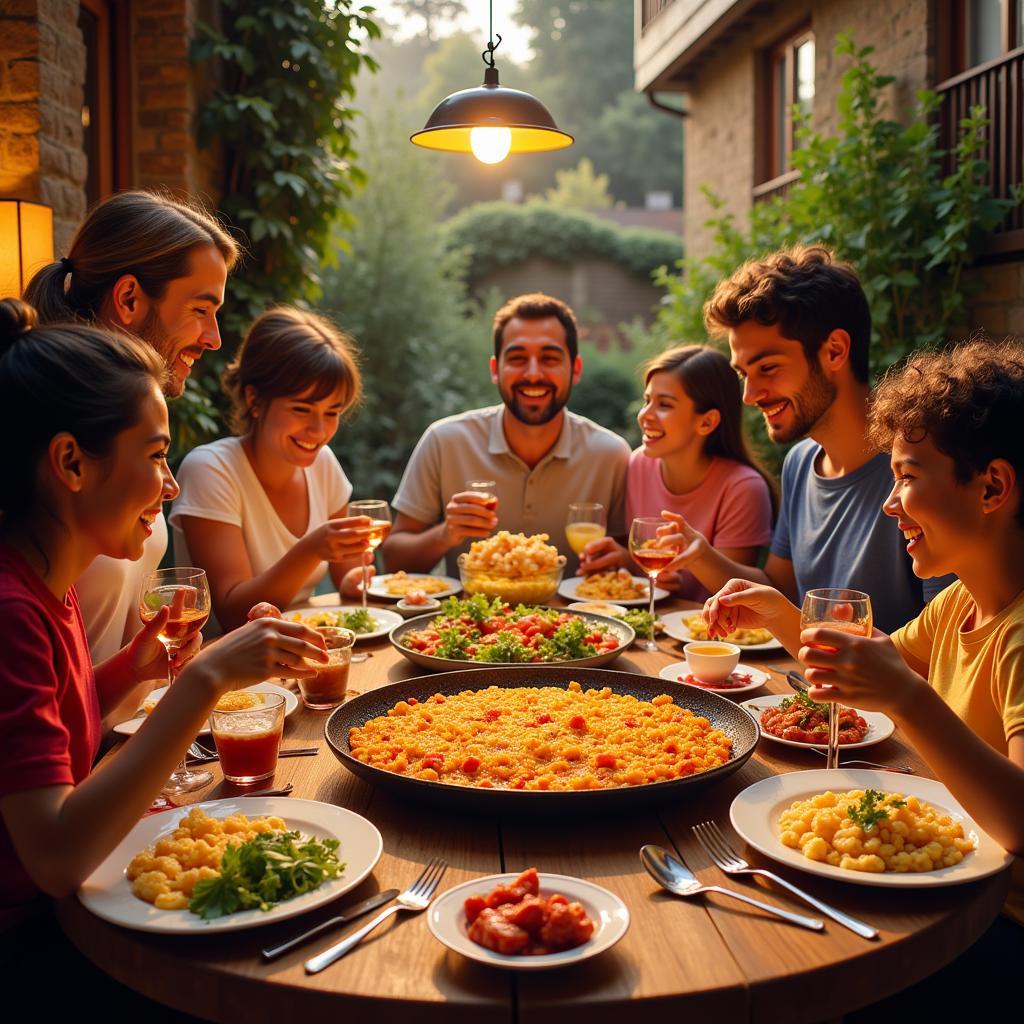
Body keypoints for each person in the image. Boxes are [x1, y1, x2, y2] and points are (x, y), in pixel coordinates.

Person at [702, 336, 1024, 1000]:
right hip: (941, 893)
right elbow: (873, 667)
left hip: (988, 933)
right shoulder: (966, 599)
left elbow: (1020, 819)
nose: (890, 501)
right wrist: (780, 614)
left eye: (908, 476)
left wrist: (909, 697)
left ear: (991, 486)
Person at [0, 299, 326, 933]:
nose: (171, 485)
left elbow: (41, 740)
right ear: (71, 462)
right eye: (154, 456)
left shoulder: (45, 581)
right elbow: (56, 857)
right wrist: (204, 681)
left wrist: (126, 673)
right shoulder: (11, 610)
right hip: (35, 938)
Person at [654, 245, 947, 632]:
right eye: (744, 374)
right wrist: (701, 556)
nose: (749, 395)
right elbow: (781, 592)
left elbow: (948, 648)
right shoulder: (800, 462)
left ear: (835, 351)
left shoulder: (917, 471)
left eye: (768, 368)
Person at [23, 189, 238, 661]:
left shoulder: (132, 413)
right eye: (201, 309)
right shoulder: (54, 429)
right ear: (127, 298)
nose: (215, 339)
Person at [383, 293, 630, 576]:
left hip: (583, 619)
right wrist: (445, 534)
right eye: (517, 358)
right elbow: (393, 560)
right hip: (468, 619)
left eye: (549, 358)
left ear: (575, 370)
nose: (533, 374)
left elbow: (627, 562)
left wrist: (621, 561)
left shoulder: (611, 454)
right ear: (495, 369)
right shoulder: (444, 441)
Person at [169, 307, 373, 633]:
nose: (319, 430)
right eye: (301, 409)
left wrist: (356, 582)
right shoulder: (210, 470)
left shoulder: (323, 463)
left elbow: (346, 575)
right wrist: (310, 549)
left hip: (298, 653)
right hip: (225, 669)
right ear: (255, 400)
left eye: (332, 412)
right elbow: (234, 614)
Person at [579, 345, 774, 601]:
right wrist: (626, 561)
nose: (645, 416)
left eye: (664, 405)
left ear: (706, 422)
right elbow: (650, 567)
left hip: (709, 635)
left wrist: (695, 560)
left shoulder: (743, 487)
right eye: (647, 401)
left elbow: (734, 589)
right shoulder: (639, 464)